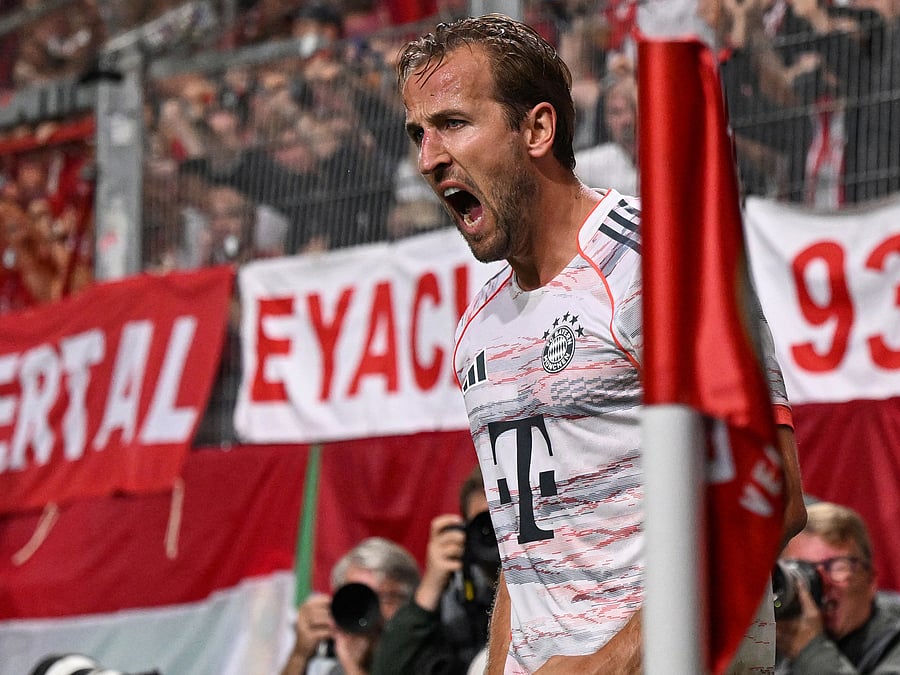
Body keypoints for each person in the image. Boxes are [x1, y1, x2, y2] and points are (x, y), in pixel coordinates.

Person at [397, 14, 807, 673]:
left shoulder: (665, 265)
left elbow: (772, 497)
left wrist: (610, 662)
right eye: (418, 132)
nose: (428, 158)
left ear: (537, 128)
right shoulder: (480, 326)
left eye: (452, 123)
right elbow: (524, 557)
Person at [774, 501, 900, 674]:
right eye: (801, 569)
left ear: (871, 581)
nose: (820, 582)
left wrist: (811, 651)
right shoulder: (780, 646)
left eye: (837, 567)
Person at [371, 467, 496, 675]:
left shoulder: (549, 582)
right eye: (486, 525)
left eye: (505, 521)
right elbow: (388, 670)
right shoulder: (457, 599)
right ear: (467, 531)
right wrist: (431, 587)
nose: (499, 535)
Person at [281, 536, 421, 675]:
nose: (369, 611)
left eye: (386, 598)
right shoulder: (338, 671)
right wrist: (300, 655)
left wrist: (353, 668)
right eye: (358, 597)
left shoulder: (432, 662)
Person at [573, 73, 638, 196]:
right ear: (606, 119)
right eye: (616, 112)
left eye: (633, 109)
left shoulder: (669, 158)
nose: (627, 120)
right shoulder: (595, 162)